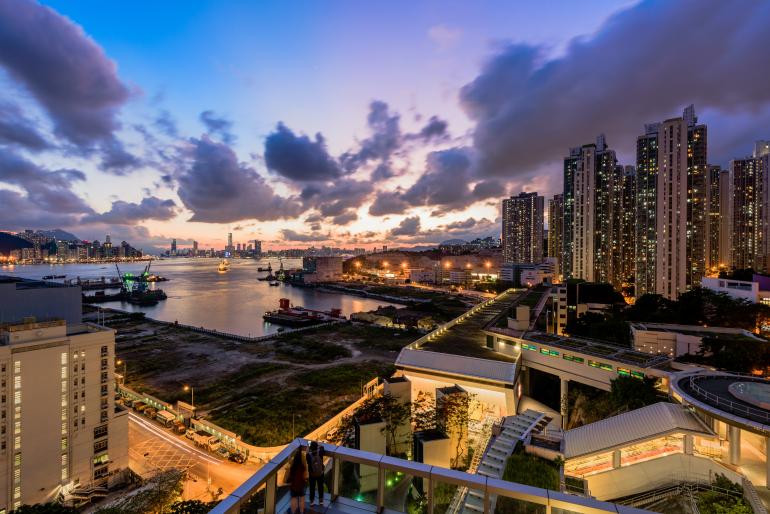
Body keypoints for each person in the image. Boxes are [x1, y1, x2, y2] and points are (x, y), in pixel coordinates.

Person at [306, 441, 325, 506]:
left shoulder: (308, 455)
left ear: (311, 448)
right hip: (320, 473)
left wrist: (308, 446)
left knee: (312, 487)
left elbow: (307, 451)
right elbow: (322, 447)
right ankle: (321, 501)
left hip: (312, 474)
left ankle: (312, 501)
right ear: (317, 447)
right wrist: (319, 446)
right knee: (320, 486)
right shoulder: (320, 453)